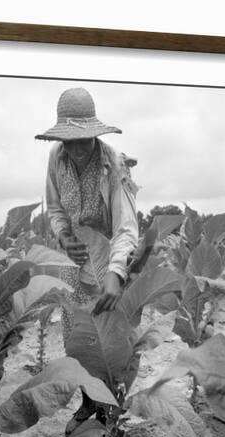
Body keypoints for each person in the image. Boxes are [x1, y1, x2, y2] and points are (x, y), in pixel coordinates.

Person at [35, 87, 139, 340]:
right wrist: (64, 237)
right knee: (77, 332)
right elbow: (55, 206)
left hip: (110, 260)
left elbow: (126, 227)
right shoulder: (57, 157)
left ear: (95, 134)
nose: (78, 150)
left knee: (109, 336)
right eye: (70, 141)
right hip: (73, 259)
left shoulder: (113, 164)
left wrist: (115, 273)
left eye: (84, 140)